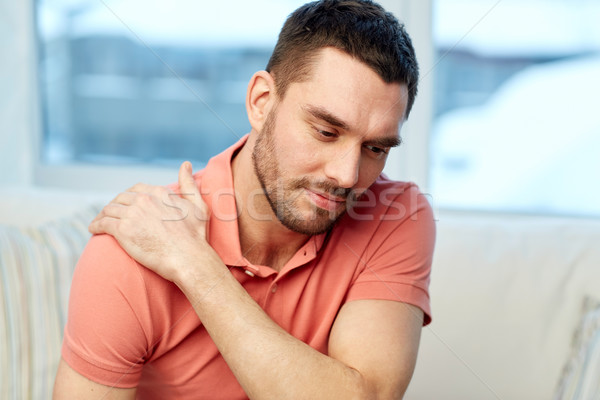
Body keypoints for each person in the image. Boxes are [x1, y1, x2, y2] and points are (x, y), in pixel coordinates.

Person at [53, 0, 435, 398]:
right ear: (261, 101)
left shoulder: (396, 215)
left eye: (375, 148)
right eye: (326, 131)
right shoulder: (132, 252)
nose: (348, 175)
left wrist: (196, 267)